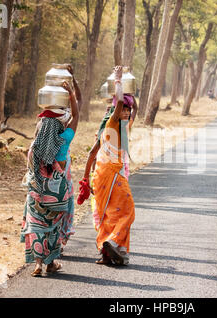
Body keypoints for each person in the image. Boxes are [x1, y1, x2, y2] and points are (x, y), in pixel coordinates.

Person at [20, 66, 81, 277]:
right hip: (57, 198)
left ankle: (37, 264)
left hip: (36, 197)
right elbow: (76, 116)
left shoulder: (33, 149)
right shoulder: (63, 143)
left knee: (36, 227)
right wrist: (71, 95)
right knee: (53, 229)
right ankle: (51, 263)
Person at [89, 66, 137, 266]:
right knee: (128, 210)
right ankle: (114, 241)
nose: (126, 112)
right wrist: (118, 80)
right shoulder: (112, 122)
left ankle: (107, 253)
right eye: (123, 110)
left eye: (127, 110)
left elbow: (133, 109)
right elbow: (118, 103)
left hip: (103, 175)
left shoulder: (123, 127)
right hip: (112, 175)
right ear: (116, 111)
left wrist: (130, 92)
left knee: (110, 212)